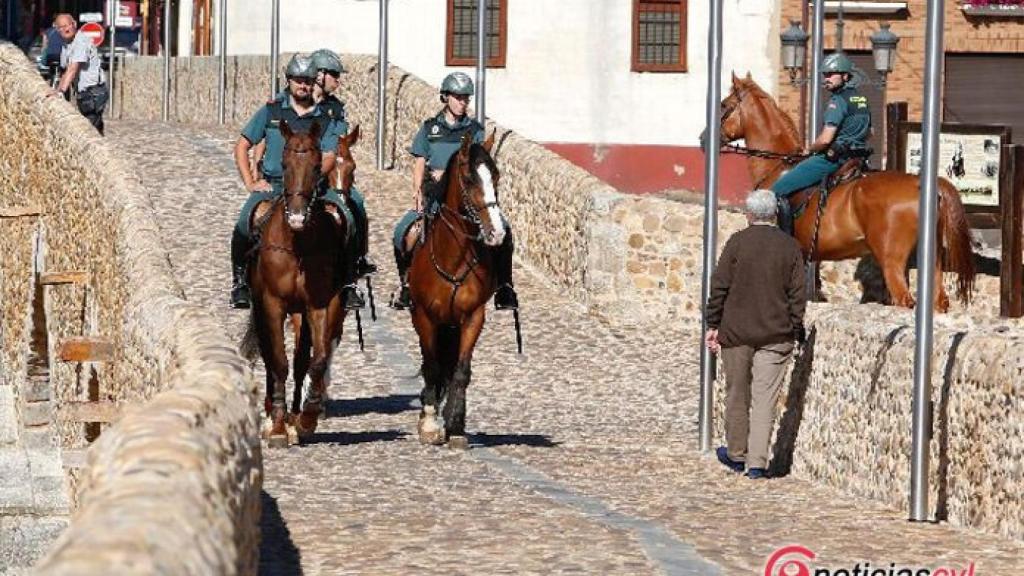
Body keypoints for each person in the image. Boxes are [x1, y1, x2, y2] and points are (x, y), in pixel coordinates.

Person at [390, 71, 519, 311]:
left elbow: (479, 162)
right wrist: (417, 191)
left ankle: (504, 286)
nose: (462, 102)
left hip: (467, 196)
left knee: (504, 230)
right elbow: (419, 161)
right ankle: (406, 283)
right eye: (458, 97)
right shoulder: (430, 129)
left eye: (466, 98)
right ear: (445, 97)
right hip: (435, 196)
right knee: (403, 233)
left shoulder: (475, 130)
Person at [229, 54, 349, 309]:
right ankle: (239, 281)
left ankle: (348, 280)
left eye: (307, 81)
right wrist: (251, 182)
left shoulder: (324, 117)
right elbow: (242, 146)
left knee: (347, 217)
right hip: (273, 185)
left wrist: (313, 181)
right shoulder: (271, 111)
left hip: (313, 188)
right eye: (298, 80)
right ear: (289, 80)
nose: (303, 86)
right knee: (243, 222)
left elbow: (329, 155)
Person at [704, 189, 807, 480]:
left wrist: (713, 324)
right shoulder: (790, 247)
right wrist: (795, 328)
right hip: (777, 335)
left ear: (749, 214)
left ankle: (737, 455)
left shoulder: (737, 243)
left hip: (737, 333)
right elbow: (798, 295)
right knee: (765, 399)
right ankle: (758, 463)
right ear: (775, 214)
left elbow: (719, 287)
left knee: (737, 393)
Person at [771, 52, 872, 234]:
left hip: (834, 159)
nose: (826, 79)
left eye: (831, 74)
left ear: (845, 76)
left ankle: (784, 241)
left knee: (777, 190)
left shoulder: (838, 101)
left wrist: (809, 150)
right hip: (858, 159)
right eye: (825, 75)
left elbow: (825, 139)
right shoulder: (862, 99)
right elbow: (871, 132)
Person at [310, 48, 376, 281]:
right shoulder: (297, 102)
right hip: (302, 170)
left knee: (356, 202)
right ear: (320, 75)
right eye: (335, 75)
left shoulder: (336, 108)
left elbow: (340, 139)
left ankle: (357, 258)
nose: (338, 81)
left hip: (329, 173)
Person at [46, 13, 108, 134]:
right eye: (61, 27)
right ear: (57, 30)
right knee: (94, 127)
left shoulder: (81, 42)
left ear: (74, 24)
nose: (66, 29)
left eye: (68, 25)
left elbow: (73, 68)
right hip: (84, 92)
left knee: (89, 130)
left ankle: (98, 150)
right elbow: (66, 69)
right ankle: (102, 148)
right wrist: (58, 88)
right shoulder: (67, 44)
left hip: (93, 92)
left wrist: (60, 91)